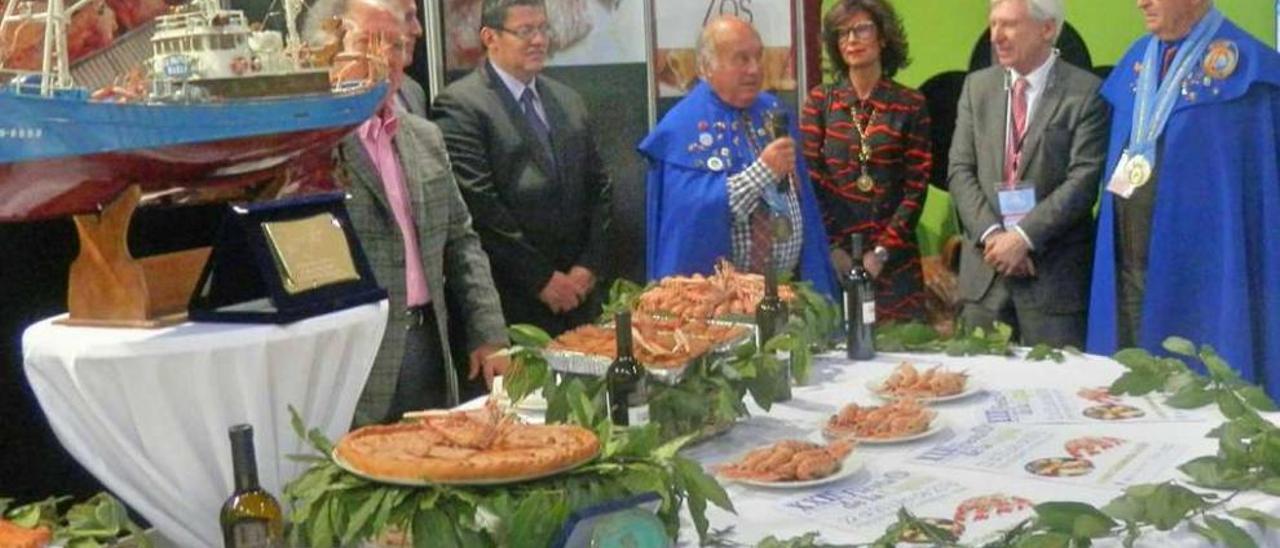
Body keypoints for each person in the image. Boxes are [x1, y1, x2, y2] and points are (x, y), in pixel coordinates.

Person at [306, 0, 510, 425]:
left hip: (427, 348)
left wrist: (489, 333)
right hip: (350, 363)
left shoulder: (425, 138)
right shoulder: (307, 149)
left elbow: (462, 241)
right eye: (368, 42)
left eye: (396, 46)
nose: (385, 60)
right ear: (328, 52)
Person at [1088, 0, 1280, 396]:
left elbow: (1250, 191)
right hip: (1127, 267)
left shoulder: (1246, 70)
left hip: (1203, 282)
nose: (1142, 2)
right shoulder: (1137, 61)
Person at [430, 0, 613, 337]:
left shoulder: (568, 101)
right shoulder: (461, 106)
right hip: (514, 306)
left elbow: (599, 188)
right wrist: (542, 279)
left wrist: (588, 266)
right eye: (525, 31)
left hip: (581, 300)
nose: (539, 40)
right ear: (490, 37)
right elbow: (481, 208)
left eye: (543, 29)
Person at [640, 16, 837, 299]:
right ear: (706, 67)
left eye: (758, 57)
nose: (755, 69)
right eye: (741, 59)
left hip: (789, 291)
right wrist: (762, 172)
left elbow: (803, 199)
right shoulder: (681, 126)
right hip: (721, 302)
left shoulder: (773, 112)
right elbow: (691, 216)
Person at [947, 0, 1108, 347]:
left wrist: (1022, 238)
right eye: (993, 24)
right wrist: (994, 237)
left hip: (1051, 283)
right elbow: (960, 171)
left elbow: (1083, 182)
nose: (996, 37)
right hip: (985, 281)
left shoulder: (1086, 93)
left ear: (1047, 28)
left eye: (1009, 25)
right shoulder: (977, 88)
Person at [800, 0, 931, 323]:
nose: (851, 40)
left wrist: (881, 254)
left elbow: (915, 190)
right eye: (842, 33)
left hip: (895, 264)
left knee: (900, 362)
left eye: (862, 29)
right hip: (835, 262)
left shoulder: (909, 105)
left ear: (883, 37)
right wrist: (834, 251)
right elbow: (810, 183)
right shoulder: (820, 103)